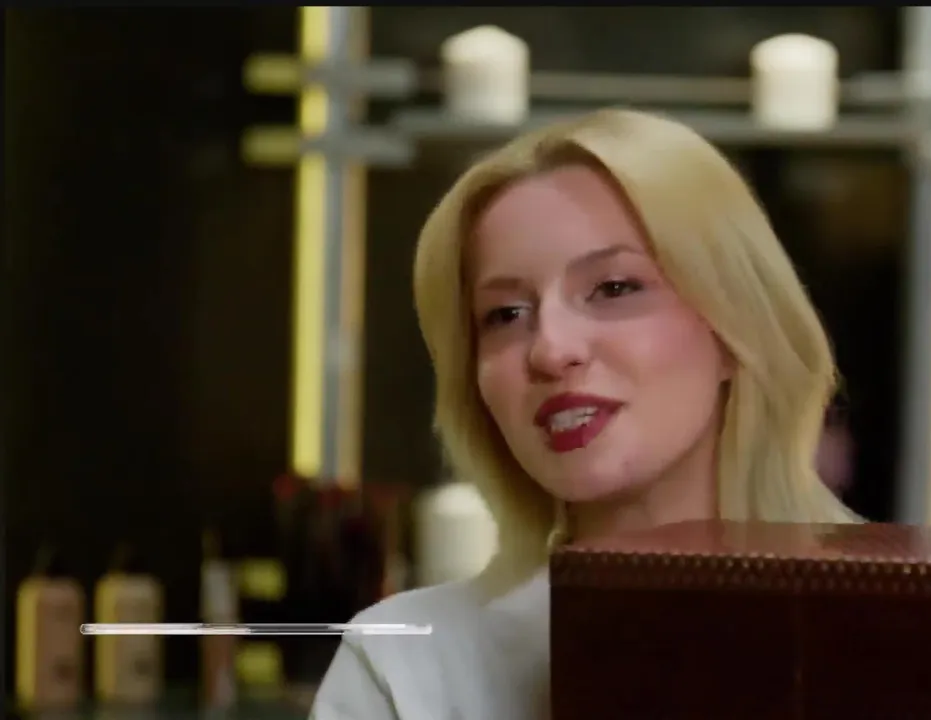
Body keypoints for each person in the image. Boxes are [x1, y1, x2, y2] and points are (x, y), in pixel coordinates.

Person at [309, 108, 862, 720]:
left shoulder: (898, 623)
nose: (551, 349)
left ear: (733, 328)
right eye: (505, 315)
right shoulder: (405, 667)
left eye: (614, 288)